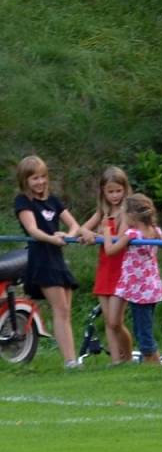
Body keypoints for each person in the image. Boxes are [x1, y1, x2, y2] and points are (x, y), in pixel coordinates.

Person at [14, 155, 81, 368]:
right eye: (34, 178)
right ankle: (69, 361)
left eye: (43, 177)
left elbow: (74, 225)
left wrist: (67, 234)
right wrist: (52, 238)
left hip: (57, 258)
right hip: (41, 258)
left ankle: (71, 359)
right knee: (60, 309)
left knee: (65, 311)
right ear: (25, 180)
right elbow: (33, 230)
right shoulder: (23, 201)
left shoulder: (53, 201)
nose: (40, 182)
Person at [79, 166, 134, 364]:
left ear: (125, 190)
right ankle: (115, 362)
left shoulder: (128, 212)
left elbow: (118, 242)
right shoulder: (103, 211)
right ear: (103, 191)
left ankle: (127, 356)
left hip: (122, 270)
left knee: (115, 321)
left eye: (118, 191)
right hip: (105, 269)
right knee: (108, 322)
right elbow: (83, 228)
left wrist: (99, 235)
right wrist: (88, 233)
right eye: (110, 191)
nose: (114, 195)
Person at [103, 194, 162, 364]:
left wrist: (107, 231)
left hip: (140, 288)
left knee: (143, 331)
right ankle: (132, 358)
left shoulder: (132, 234)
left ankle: (153, 363)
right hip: (138, 284)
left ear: (132, 216)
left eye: (124, 213)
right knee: (119, 322)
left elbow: (110, 250)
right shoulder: (156, 231)